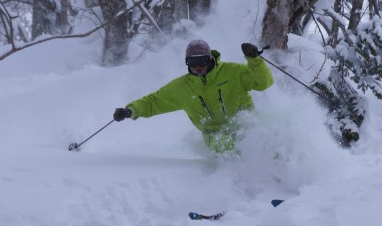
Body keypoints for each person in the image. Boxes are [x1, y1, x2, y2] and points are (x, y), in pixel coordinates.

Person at [113, 39, 273, 153]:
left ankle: (285, 179)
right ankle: (245, 186)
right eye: (192, 62)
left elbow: (264, 82)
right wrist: (130, 111)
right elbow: (154, 102)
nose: (198, 67)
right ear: (186, 62)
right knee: (227, 145)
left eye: (202, 61)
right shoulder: (182, 87)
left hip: (245, 127)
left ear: (210, 58)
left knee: (267, 141)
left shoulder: (233, 72)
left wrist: (255, 61)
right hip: (215, 136)